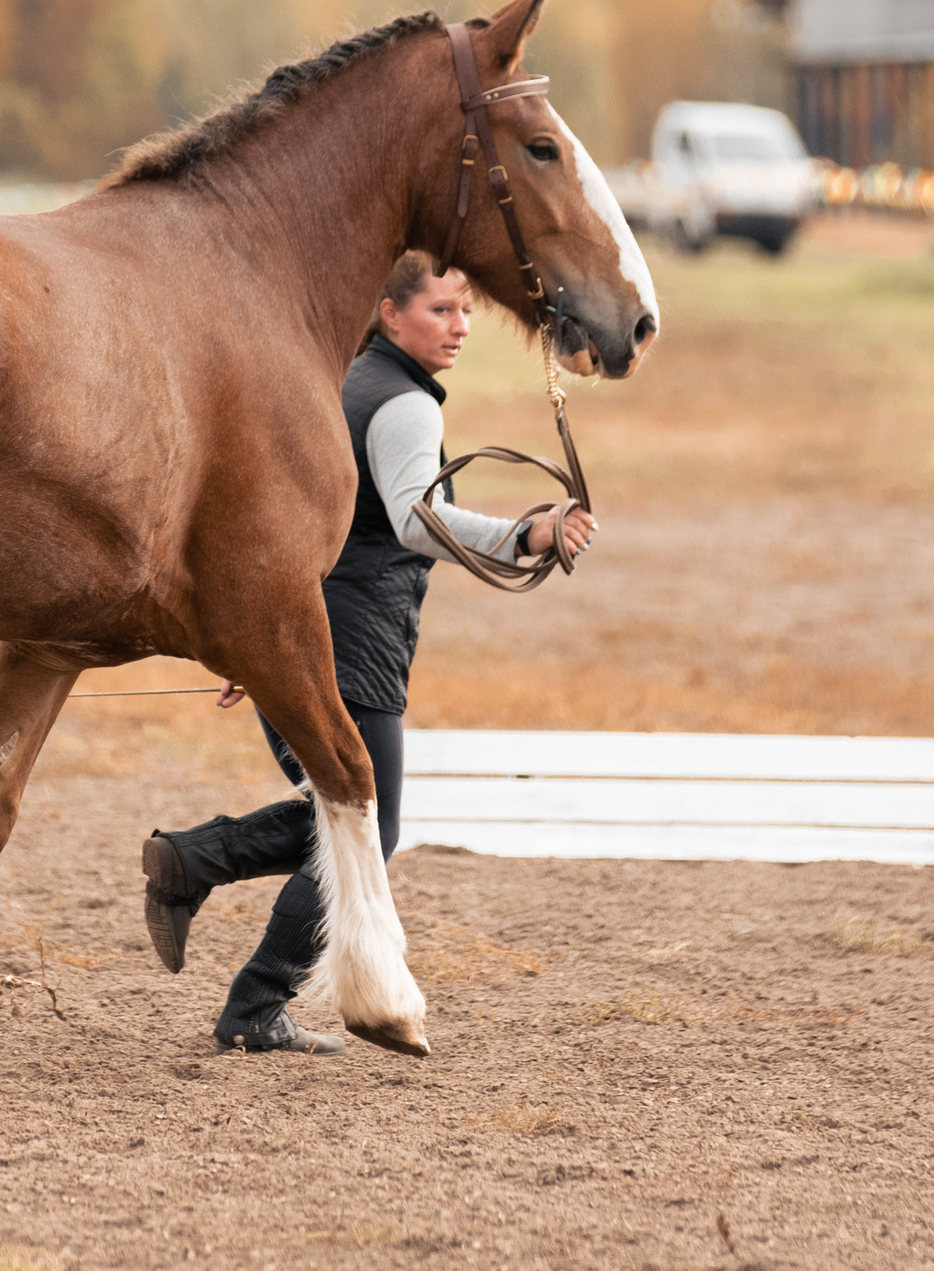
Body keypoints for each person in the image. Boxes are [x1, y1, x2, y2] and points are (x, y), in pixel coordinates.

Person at [141, 249, 595, 1052]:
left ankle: (195, 861)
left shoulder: (343, 382)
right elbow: (420, 520)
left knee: (337, 813)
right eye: (439, 311)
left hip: (302, 631)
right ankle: (250, 993)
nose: (459, 327)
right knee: (365, 831)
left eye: (464, 311)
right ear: (389, 313)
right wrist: (531, 531)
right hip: (356, 649)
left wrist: (257, 641)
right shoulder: (406, 407)